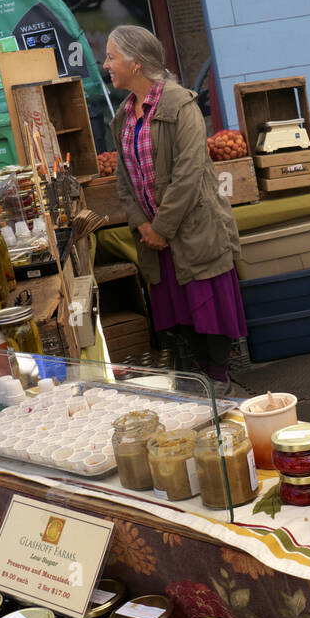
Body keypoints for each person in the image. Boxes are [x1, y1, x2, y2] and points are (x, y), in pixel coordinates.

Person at [104, 25, 246, 393]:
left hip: (192, 230)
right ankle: (199, 377)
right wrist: (143, 225)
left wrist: (162, 227)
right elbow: (123, 179)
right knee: (180, 312)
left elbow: (189, 172)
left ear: (135, 63)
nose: (106, 65)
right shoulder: (124, 115)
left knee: (207, 307)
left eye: (111, 57)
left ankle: (220, 380)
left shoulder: (181, 104)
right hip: (155, 237)